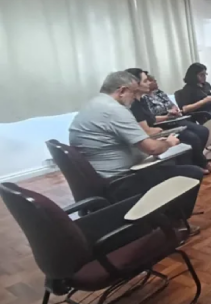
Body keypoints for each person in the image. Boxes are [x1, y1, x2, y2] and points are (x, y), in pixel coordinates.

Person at [68, 71, 202, 228]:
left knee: (168, 165)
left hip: (102, 178)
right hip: (120, 182)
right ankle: (175, 223)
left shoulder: (93, 104)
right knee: (192, 172)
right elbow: (152, 149)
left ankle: (162, 214)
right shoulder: (114, 110)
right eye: (134, 93)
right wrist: (169, 143)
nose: (135, 98)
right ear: (122, 90)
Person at [125, 68, 211, 175]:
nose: (149, 83)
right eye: (145, 81)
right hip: (157, 132)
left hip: (162, 125)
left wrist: (167, 116)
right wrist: (159, 129)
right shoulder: (134, 105)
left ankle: (196, 162)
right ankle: (198, 164)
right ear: (135, 84)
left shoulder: (142, 100)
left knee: (201, 131)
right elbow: (147, 131)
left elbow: (152, 118)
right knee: (191, 137)